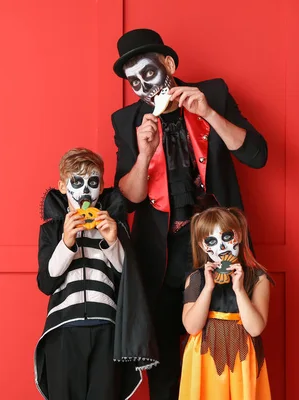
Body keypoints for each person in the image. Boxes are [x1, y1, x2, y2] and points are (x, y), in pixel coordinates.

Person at [111, 28, 268, 400]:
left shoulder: (212, 93)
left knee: (226, 353)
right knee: (165, 364)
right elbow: (128, 200)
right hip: (161, 258)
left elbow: (256, 155)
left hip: (218, 248)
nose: (143, 86)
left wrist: (209, 114)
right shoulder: (126, 121)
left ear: (169, 63)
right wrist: (144, 154)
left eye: (148, 73)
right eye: (134, 81)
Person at [34, 148, 157, 400]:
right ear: (62, 186)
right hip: (63, 329)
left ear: (101, 188)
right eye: (76, 182)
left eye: (93, 182)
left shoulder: (114, 226)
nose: (85, 190)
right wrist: (66, 242)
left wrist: (113, 242)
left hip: (107, 329)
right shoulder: (52, 230)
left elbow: (127, 280)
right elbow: (46, 282)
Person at [180, 207, 272, 399]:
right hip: (204, 356)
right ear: (203, 246)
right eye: (211, 241)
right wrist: (208, 288)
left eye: (226, 237)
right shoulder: (196, 278)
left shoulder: (258, 278)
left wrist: (239, 290)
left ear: (238, 235)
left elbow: (255, 328)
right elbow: (191, 327)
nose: (221, 247)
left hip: (243, 356)